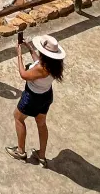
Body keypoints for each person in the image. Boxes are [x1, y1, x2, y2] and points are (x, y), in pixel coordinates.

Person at [6, 35, 66, 167]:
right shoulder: (53, 65)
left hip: (32, 97)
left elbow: (24, 75)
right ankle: (42, 155)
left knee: (18, 118)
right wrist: (30, 48)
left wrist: (19, 55)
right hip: (46, 95)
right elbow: (37, 62)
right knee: (41, 123)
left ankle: (21, 151)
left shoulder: (42, 68)